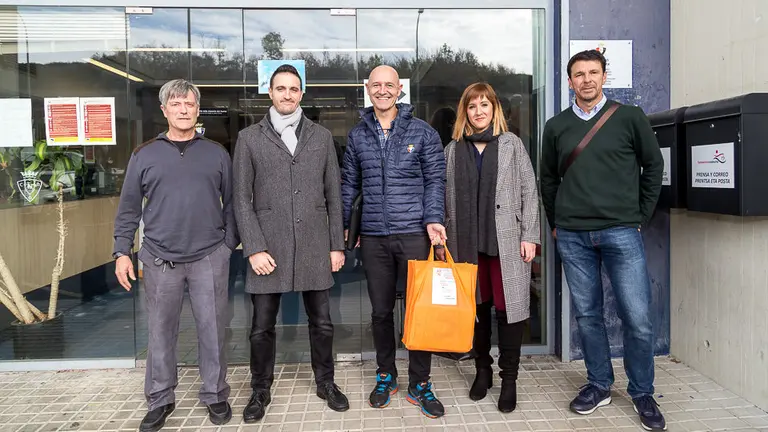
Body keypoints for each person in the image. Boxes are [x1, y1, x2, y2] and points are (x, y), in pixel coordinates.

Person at [540, 49, 665, 431]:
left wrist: (639, 216)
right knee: (588, 315)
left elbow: (653, 166)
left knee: (638, 319)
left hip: (620, 230)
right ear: (569, 81)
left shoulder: (629, 118)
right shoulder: (556, 126)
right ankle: (599, 384)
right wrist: (556, 222)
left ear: (604, 76)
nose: (587, 80)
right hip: (573, 234)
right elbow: (548, 179)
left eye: (593, 72)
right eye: (579, 74)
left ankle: (642, 391)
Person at [113, 78, 237, 432]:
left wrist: (227, 247)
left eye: (190, 104)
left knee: (213, 329)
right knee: (160, 331)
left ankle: (215, 394)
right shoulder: (144, 155)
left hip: (208, 256)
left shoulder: (216, 153)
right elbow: (128, 209)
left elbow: (232, 204)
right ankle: (160, 398)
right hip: (159, 259)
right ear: (165, 110)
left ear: (197, 110)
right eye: (177, 104)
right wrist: (123, 251)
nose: (184, 110)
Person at [233, 64, 349, 423]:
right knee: (261, 326)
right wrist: (253, 247)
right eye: (280, 88)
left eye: (293, 89)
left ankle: (325, 383)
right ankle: (260, 388)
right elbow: (240, 199)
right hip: (269, 246)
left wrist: (336, 245)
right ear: (270, 92)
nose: (287, 94)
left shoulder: (322, 136)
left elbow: (334, 195)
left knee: (323, 323)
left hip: (315, 243)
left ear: (301, 94)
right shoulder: (249, 138)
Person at [341, 65, 447, 419]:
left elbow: (435, 181)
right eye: (376, 85)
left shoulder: (423, 132)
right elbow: (349, 186)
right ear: (367, 89)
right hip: (373, 237)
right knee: (381, 312)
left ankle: (421, 382)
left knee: (420, 312)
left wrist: (433, 219)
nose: (383, 90)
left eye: (389, 85)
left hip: (415, 234)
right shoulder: (357, 135)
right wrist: (344, 227)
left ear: (399, 89)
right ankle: (386, 375)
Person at [441, 82, 540, 413]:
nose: (479, 111)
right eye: (472, 106)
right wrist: (441, 241)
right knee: (477, 311)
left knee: (509, 311)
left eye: (484, 105)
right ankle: (482, 370)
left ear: (494, 109)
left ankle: (508, 379)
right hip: (465, 244)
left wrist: (530, 236)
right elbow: (441, 197)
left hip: (508, 243)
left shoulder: (511, 145)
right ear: (464, 112)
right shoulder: (453, 149)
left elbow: (529, 191)